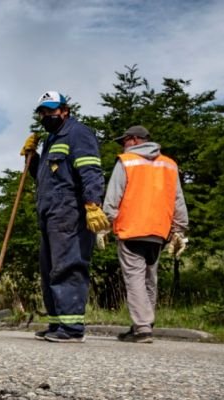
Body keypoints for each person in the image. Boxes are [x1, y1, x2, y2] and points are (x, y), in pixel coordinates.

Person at [20, 91, 108, 343]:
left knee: (68, 265)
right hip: (49, 215)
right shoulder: (50, 140)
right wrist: (32, 157)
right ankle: (57, 323)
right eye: (43, 112)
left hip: (70, 211)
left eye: (51, 110)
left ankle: (72, 328)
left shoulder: (78, 133)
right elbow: (45, 178)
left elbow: (90, 169)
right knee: (49, 270)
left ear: (65, 110)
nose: (47, 115)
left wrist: (93, 204)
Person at [102, 125, 189, 343]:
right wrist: (179, 228)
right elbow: (178, 198)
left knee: (135, 280)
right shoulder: (169, 164)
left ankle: (142, 328)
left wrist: (104, 224)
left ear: (133, 140)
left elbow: (113, 196)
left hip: (131, 229)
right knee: (151, 279)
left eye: (124, 141)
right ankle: (145, 322)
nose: (123, 145)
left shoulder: (126, 162)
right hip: (159, 231)